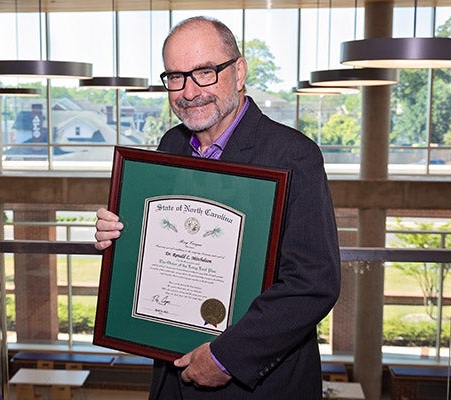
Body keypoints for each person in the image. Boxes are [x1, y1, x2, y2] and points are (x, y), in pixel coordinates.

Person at [95, 16, 340, 400]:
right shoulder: (171, 145)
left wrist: (226, 358)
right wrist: (121, 236)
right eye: (175, 77)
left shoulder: (294, 155)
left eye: (205, 72)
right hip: (172, 376)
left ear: (238, 72)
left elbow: (313, 283)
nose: (189, 91)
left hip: (256, 386)